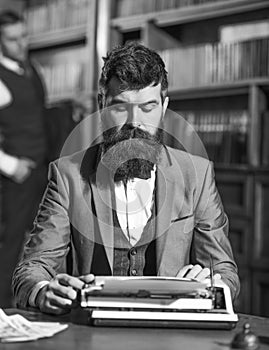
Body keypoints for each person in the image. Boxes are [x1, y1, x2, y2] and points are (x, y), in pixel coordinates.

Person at [13, 42, 240, 315]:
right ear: (101, 105)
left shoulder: (198, 175)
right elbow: (32, 268)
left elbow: (225, 272)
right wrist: (42, 290)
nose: (135, 122)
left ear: (164, 107)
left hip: (171, 333)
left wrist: (211, 284)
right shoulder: (67, 176)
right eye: (121, 108)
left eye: (148, 108)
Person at [0, 10, 48, 307]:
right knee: (10, 245)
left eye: (24, 36)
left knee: (39, 243)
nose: (22, 44)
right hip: (15, 179)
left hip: (40, 173)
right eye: (13, 39)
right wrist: (11, 165)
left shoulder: (30, 69)